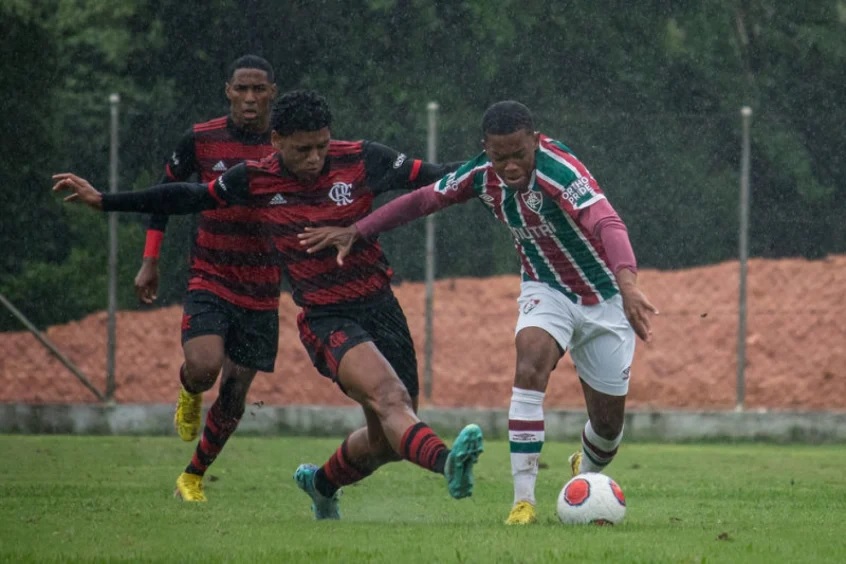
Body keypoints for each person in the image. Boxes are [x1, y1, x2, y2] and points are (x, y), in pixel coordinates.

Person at [52, 89, 484, 519]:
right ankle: (450, 464)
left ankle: (321, 485)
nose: (315, 158)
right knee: (390, 397)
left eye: (321, 146)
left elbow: (437, 177)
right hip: (327, 317)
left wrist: (498, 166)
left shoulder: (362, 158)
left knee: (388, 441)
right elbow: (186, 197)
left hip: (381, 307)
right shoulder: (254, 178)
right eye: (302, 150)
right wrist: (106, 200)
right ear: (276, 141)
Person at [297, 100, 658, 525]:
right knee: (530, 362)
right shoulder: (481, 176)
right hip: (547, 290)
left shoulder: (560, 172)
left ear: (535, 142)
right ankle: (523, 501)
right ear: (485, 148)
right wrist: (358, 231)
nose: (509, 166)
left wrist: (628, 284)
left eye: (518, 154)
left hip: (605, 302)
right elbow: (421, 201)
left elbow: (606, 223)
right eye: (498, 155)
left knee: (608, 428)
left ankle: (586, 479)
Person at [137, 54, 279, 501]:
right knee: (203, 368)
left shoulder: (287, 145)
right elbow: (164, 195)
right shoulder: (201, 140)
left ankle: (192, 476)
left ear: (272, 93)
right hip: (211, 276)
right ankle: (189, 390)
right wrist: (150, 260)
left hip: (262, 287)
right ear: (229, 91)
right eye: (243, 89)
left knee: (236, 393)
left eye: (259, 89)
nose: (251, 98)